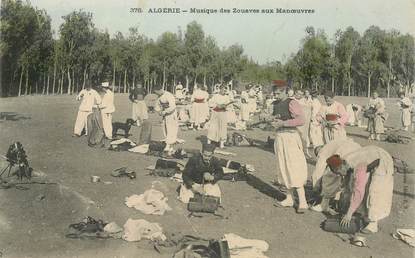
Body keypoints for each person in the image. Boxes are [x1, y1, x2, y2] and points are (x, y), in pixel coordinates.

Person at [326, 145, 394, 234]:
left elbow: (358, 192)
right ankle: (364, 214)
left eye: (338, 173)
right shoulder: (345, 162)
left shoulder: (358, 167)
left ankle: (373, 224)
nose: (340, 175)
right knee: (360, 187)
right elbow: (347, 186)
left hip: (383, 161)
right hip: (373, 156)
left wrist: (349, 214)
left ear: (341, 167)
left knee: (374, 191)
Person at [271, 82, 308, 213]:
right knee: (283, 167)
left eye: (278, 93)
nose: (276, 95)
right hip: (280, 138)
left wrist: (284, 123)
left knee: (294, 167)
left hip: (291, 138)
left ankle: (303, 201)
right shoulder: (275, 104)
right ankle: (289, 198)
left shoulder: (292, 103)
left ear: (286, 92)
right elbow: (275, 120)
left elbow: (301, 120)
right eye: (274, 93)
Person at [310, 138, 362, 212]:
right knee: (353, 177)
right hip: (358, 149)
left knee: (331, 175)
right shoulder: (333, 143)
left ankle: (324, 205)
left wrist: (316, 187)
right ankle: (349, 203)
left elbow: (318, 171)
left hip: (344, 152)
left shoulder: (322, 151)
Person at [154, 85, 179, 153]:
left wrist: (165, 111)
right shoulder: (159, 97)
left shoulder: (169, 95)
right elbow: (156, 105)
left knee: (171, 130)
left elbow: (172, 106)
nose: (157, 94)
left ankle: (168, 145)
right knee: (165, 129)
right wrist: (159, 111)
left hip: (171, 114)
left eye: (157, 92)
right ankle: (169, 144)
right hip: (165, 115)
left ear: (161, 89)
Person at [207, 84, 231, 149]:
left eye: (225, 89)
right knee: (213, 127)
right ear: (220, 89)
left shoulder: (227, 97)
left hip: (223, 113)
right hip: (215, 113)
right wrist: (217, 105)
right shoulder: (215, 96)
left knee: (223, 128)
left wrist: (225, 106)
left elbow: (229, 106)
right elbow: (210, 103)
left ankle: (221, 144)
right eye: (223, 89)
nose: (224, 91)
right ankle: (209, 142)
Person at [296, 89, 313, 157]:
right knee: (299, 134)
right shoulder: (300, 101)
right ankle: (299, 151)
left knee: (305, 136)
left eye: (307, 92)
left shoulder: (310, 100)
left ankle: (305, 150)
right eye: (305, 93)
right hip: (300, 120)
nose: (306, 94)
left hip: (307, 121)